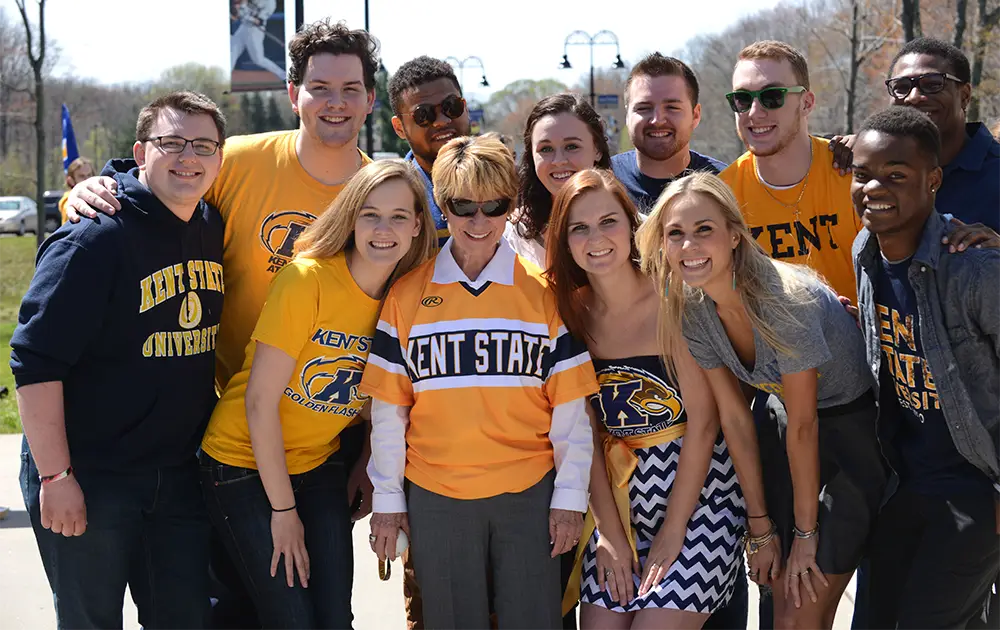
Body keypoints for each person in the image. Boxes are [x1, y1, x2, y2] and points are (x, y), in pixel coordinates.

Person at [63, 19, 380, 627]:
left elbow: (391, 327)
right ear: (293, 94)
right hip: (230, 424)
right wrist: (86, 192)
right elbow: (149, 183)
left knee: (322, 606)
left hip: (324, 432)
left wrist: (369, 452)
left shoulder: (378, 193)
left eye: (350, 89)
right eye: (319, 87)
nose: (335, 102)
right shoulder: (240, 161)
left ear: (369, 98)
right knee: (242, 604)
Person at [10, 91, 227, 629]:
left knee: (186, 618)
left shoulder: (211, 225)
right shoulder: (94, 237)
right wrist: (56, 476)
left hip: (175, 474)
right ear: (141, 151)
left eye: (203, 145)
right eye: (171, 142)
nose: (188, 157)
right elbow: (35, 362)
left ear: (220, 157)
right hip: (90, 472)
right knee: (90, 621)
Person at [362, 135, 597, 630]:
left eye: (494, 206)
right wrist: (387, 502)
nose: (478, 220)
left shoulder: (545, 293)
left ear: (510, 206)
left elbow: (571, 412)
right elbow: (388, 415)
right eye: (462, 205)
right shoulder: (406, 295)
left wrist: (569, 498)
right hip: (436, 494)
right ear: (441, 205)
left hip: (529, 491)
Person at [637, 172, 888, 630]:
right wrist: (760, 527)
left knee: (800, 612)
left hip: (850, 439)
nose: (689, 245)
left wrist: (806, 535)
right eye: (675, 233)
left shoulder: (786, 300)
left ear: (735, 234)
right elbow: (734, 418)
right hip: (781, 428)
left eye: (704, 229)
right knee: (778, 607)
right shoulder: (692, 307)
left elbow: (806, 425)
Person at [199, 160, 435, 629]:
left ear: (416, 226)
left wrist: (367, 465)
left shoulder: (407, 296)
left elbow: (383, 401)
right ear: (350, 217)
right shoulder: (307, 280)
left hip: (316, 460)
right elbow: (259, 403)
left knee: (334, 617)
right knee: (291, 617)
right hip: (240, 462)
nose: (383, 229)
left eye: (397, 216)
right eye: (370, 214)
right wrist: (283, 511)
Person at [546, 169, 744, 629]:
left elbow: (704, 424)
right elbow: (584, 432)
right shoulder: (569, 314)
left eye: (608, 222)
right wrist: (610, 535)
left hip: (700, 500)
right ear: (565, 241)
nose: (596, 238)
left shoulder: (673, 298)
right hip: (618, 501)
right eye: (579, 228)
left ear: (632, 225)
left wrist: (674, 531)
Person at [849, 106, 1000, 629]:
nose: (874, 188)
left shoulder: (975, 269)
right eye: (862, 174)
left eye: (896, 175)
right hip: (903, 483)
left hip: (975, 491)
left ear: (933, 180)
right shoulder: (865, 251)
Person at [611, 53, 726, 213]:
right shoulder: (604, 181)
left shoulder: (725, 185)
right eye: (644, 108)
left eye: (672, 107)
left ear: (695, 115)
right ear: (627, 116)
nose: (657, 120)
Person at [507, 94, 612, 267]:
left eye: (572, 146)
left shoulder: (634, 227)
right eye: (546, 149)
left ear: (597, 150)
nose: (558, 161)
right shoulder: (514, 236)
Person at [389, 56, 472, 247]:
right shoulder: (388, 196)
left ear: (465, 108)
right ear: (399, 127)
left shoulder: (508, 180)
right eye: (423, 114)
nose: (442, 121)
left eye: (451, 106)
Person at [231, 0, 287, 82]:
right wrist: (240, 7)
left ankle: (284, 75)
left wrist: (244, 13)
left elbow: (258, 21)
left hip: (255, 30)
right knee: (231, 53)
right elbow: (240, 7)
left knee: (258, 59)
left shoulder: (270, 3)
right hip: (243, 27)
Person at [58, 157, 95, 224]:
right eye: (81, 176)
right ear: (71, 180)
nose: (87, 179)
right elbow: (68, 207)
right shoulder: (68, 199)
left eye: (89, 175)